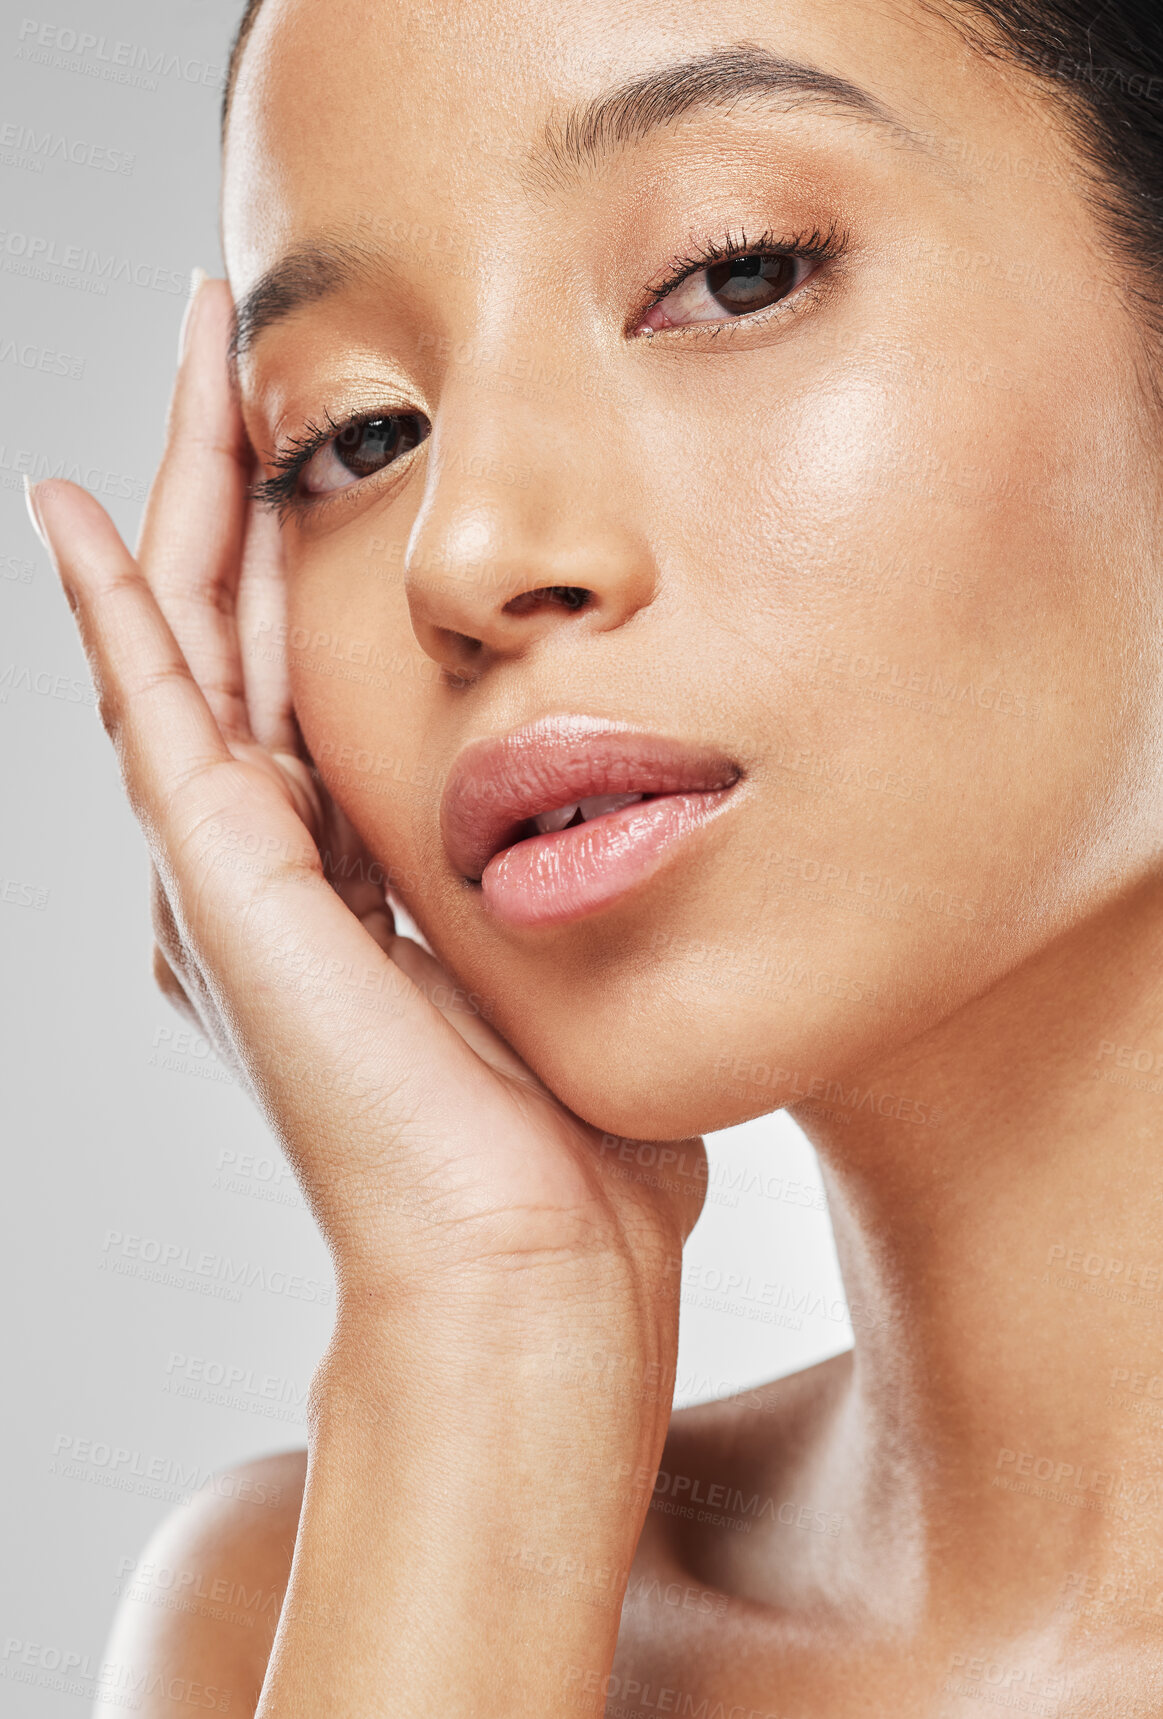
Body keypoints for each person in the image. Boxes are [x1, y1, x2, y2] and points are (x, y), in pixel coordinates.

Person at [26, 0, 1163, 1709]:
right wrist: (482, 1330)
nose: (461, 550)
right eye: (355, 436)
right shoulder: (295, 1610)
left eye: (736, 273)